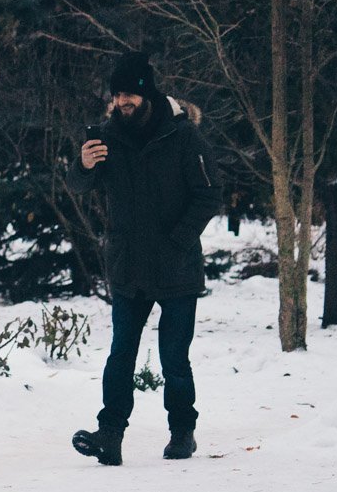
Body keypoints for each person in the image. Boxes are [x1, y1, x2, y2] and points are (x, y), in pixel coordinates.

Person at [69, 52, 223, 465]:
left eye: (130, 95)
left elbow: (209, 193)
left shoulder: (183, 136)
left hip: (176, 265)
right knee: (121, 352)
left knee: (174, 357)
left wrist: (179, 239)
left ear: (147, 94)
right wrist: (82, 166)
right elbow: (80, 185)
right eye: (117, 95)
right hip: (128, 264)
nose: (123, 102)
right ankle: (110, 434)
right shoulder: (107, 137)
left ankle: (182, 432)